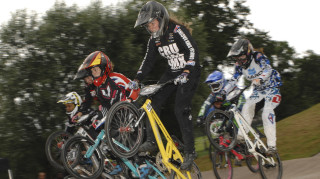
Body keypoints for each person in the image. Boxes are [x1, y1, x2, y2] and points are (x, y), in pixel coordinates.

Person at [130, 1, 201, 170]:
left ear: (162, 19)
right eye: (148, 26)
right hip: (172, 72)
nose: (151, 28)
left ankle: (190, 151)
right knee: (152, 103)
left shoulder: (177, 31)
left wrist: (187, 71)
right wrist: (137, 79)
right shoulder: (153, 40)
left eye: (153, 23)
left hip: (190, 70)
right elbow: (148, 62)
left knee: (180, 108)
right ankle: (152, 141)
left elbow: (193, 51)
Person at [224, 38, 282, 154]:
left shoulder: (258, 56)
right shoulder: (239, 66)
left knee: (267, 112)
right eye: (236, 58)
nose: (239, 61)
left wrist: (260, 78)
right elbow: (233, 80)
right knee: (246, 107)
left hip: (272, 88)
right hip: (258, 91)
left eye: (241, 57)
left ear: (248, 52)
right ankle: (241, 136)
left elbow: (268, 69)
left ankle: (272, 146)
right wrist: (223, 91)